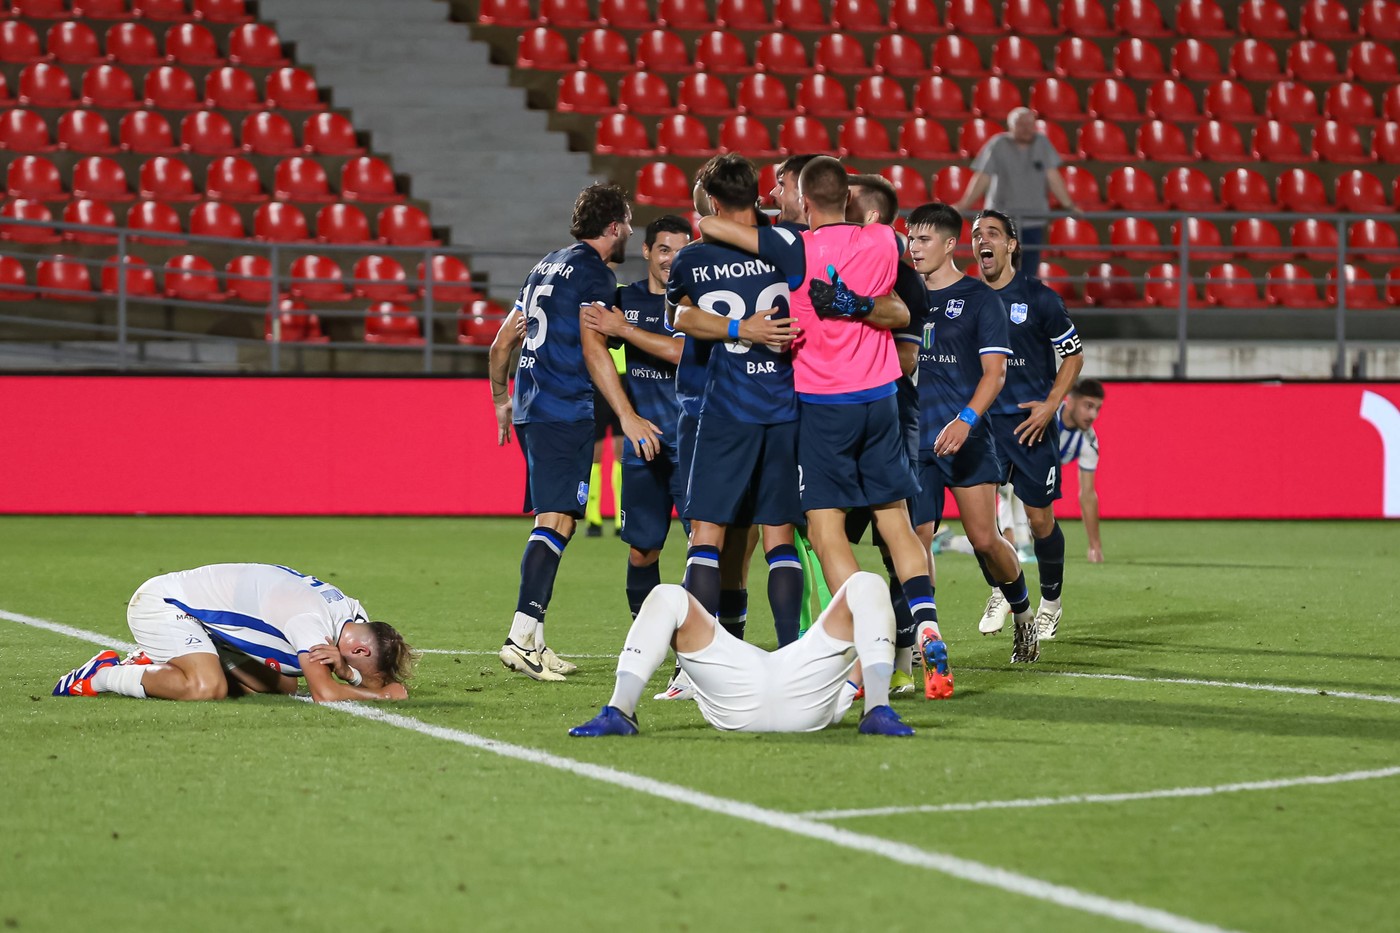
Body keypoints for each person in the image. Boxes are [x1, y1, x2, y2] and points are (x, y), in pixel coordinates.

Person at [698, 157, 954, 699]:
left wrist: (763, 219)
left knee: (824, 529)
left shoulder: (795, 247)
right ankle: (926, 622)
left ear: (806, 201)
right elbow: (899, 311)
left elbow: (711, 225)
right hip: (882, 398)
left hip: (822, 405)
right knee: (895, 522)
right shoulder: (884, 239)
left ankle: (867, 638)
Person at [489, 182, 661, 682]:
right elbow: (593, 351)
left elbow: (502, 342)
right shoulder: (594, 276)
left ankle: (535, 640)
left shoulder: (545, 265)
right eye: (627, 221)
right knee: (558, 520)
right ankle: (521, 635)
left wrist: (501, 399)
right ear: (612, 227)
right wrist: (626, 414)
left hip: (530, 406)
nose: (630, 229)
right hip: (563, 408)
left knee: (557, 516)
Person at [670, 153, 806, 650]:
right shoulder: (791, 244)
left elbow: (680, 318)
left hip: (725, 409)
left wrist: (735, 328)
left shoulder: (692, 258)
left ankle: (698, 665)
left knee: (706, 535)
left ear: (710, 200)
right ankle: (791, 653)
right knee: (779, 538)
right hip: (787, 406)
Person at [906, 202, 1039, 665]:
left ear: (948, 245)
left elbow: (995, 375)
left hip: (966, 435)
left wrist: (965, 420)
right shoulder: (903, 297)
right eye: (909, 237)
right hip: (914, 440)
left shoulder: (982, 300)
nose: (913, 247)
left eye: (923, 239)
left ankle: (1022, 613)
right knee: (915, 538)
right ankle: (926, 637)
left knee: (984, 539)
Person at [568, 572, 913, 736]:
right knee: (868, 583)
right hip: (803, 698)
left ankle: (620, 711)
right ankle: (878, 709)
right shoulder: (846, 668)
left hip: (740, 700)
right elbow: (862, 648)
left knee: (667, 596)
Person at [967, 209, 1085, 641]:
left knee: (1039, 521)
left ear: (1011, 245)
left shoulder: (1040, 299)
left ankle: (1050, 603)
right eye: (977, 234)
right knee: (981, 526)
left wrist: (1052, 405)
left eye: (993, 233)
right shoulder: (966, 298)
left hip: (1030, 426)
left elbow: (1073, 354)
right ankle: (1003, 588)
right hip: (982, 426)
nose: (983, 240)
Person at [52, 563, 415, 702]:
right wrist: (381, 697)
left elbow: (336, 673)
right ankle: (103, 675)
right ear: (363, 652)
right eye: (366, 674)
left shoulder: (354, 616)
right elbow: (323, 694)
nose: (365, 681)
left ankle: (165, 660)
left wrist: (350, 672)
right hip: (164, 604)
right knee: (205, 688)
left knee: (283, 682)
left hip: (205, 619)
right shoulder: (311, 621)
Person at [839, 173, 934, 697]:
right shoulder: (860, 264)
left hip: (882, 414)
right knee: (877, 535)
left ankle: (891, 651)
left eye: (846, 205)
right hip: (866, 412)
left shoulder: (898, 274)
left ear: (870, 218)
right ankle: (904, 640)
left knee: (867, 534)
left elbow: (906, 357)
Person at [581, 215, 693, 619]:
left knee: (703, 547)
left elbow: (681, 354)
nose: (671, 260)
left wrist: (624, 330)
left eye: (682, 251)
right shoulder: (625, 299)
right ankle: (645, 636)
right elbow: (591, 343)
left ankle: (702, 642)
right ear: (647, 251)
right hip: (643, 445)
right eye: (664, 249)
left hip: (692, 445)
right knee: (643, 549)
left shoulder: (693, 303)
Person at [953, 108, 1081, 275]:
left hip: (1033, 220)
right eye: (1021, 124)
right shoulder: (998, 143)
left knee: (1028, 271)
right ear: (1010, 126)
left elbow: (1053, 178)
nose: (1026, 128)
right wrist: (963, 205)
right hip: (1001, 222)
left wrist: (1069, 205)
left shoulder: (1042, 143)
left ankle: (1024, 301)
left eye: (1030, 124)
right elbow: (982, 177)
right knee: (996, 266)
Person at [1060, 378, 1106, 566]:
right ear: (1070, 401)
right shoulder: (1046, 415)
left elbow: (1087, 494)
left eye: (1097, 408)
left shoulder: (1089, 441)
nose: (1093, 414)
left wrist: (1094, 545)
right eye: (1088, 406)